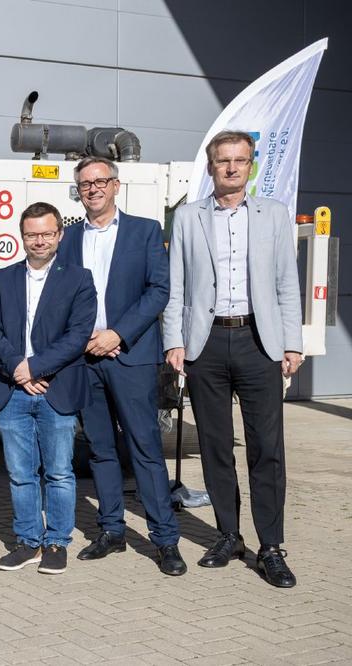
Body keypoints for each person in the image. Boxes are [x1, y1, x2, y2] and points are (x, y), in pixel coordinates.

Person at [163, 130, 303, 588]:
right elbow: (176, 285)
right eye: (223, 160)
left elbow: (286, 283)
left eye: (240, 160)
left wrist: (292, 342)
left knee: (266, 448)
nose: (231, 168)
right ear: (211, 167)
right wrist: (174, 341)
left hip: (258, 341)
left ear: (251, 166)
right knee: (215, 445)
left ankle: (271, 546)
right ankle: (229, 536)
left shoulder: (274, 215)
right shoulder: (188, 217)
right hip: (206, 344)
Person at [56, 157, 186, 576]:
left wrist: (117, 334)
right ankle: (111, 530)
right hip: (85, 358)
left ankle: (165, 539)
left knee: (145, 447)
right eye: (84, 184)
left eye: (100, 181)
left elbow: (158, 290)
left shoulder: (145, 231)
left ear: (115, 185)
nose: (92, 189)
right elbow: (59, 295)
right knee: (100, 449)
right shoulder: (68, 238)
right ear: (78, 191)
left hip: (130, 355)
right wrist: (82, 339)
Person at [0, 202, 96, 575]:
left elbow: (78, 335)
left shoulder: (78, 279)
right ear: (22, 236)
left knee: (59, 472)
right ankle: (28, 541)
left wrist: (35, 367)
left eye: (46, 233)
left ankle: (57, 542)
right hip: (12, 389)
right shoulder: (3, 278)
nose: (39, 241)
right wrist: (18, 368)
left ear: (59, 234)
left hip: (55, 389)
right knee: (20, 473)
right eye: (32, 234)